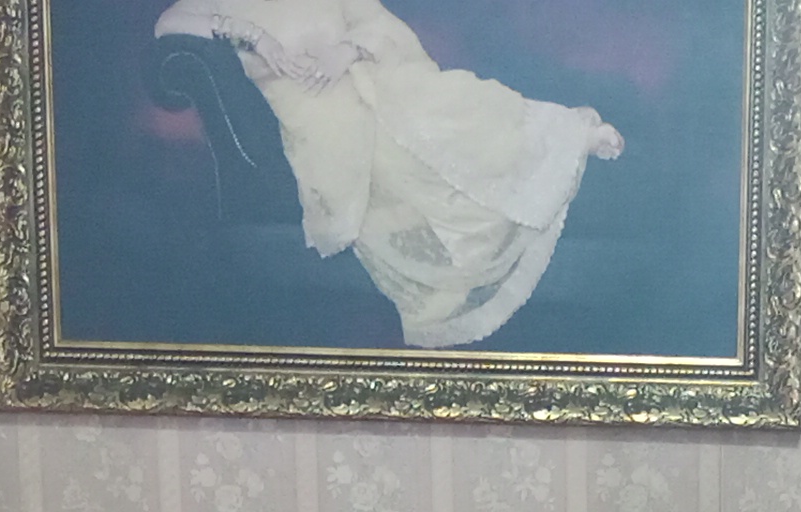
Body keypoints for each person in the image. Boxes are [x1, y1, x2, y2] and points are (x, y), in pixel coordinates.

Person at [153, 0, 623, 350]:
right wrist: (253, 36)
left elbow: (382, 26)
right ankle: (451, 278)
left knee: (448, 102)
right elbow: (168, 24)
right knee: (390, 155)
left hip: (371, 78)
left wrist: (348, 50)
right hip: (314, 107)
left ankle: (563, 134)